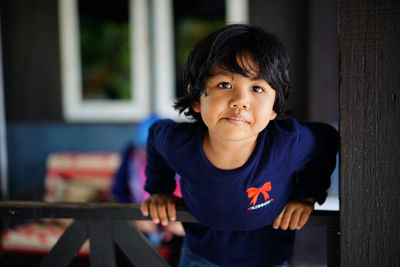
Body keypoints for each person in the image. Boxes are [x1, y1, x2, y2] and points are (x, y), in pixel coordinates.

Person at [141, 24, 338, 267]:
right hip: (199, 257)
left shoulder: (287, 144)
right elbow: (154, 136)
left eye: (257, 88)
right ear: (196, 98)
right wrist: (160, 190)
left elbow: (326, 139)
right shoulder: (178, 143)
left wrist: (307, 195)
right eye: (225, 85)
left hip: (269, 260)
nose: (240, 101)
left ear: (274, 107)